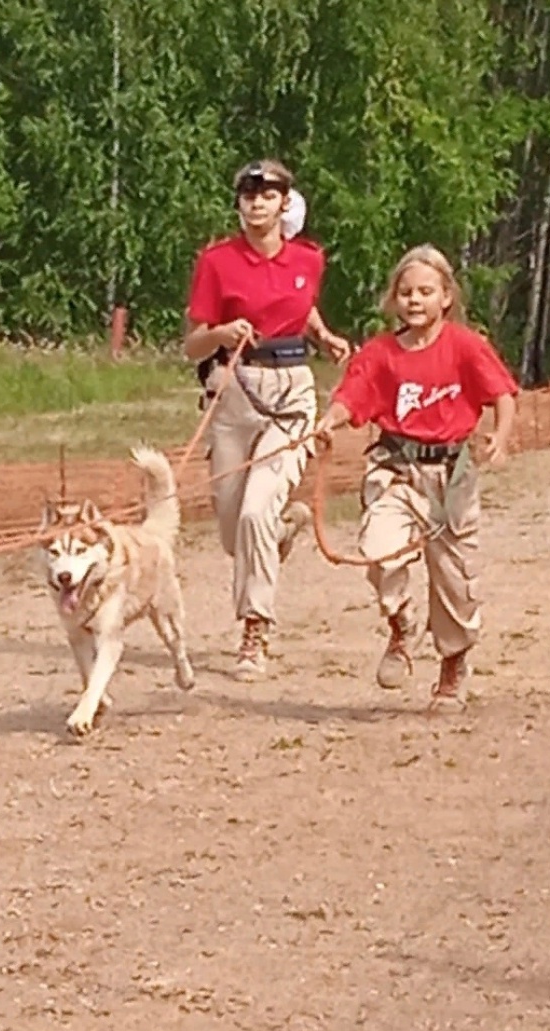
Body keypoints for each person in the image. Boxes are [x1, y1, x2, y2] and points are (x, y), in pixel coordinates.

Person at [315, 243, 518, 707]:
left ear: (446, 297)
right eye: (406, 292)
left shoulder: (467, 346)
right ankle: (400, 624)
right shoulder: (381, 352)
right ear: (394, 299)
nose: (415, 300)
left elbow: (503, 394)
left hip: (451, 476)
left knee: (454, 580)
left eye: (426, 291)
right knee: (380, 551)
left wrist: (500, 438)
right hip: (396, 470)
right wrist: (331, 419)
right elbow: (353, 395)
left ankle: (452, 665)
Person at [184, 158, 350, 681]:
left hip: (291, 392)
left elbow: (302, 305)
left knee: (255, 509)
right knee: (236, 529)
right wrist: (221, 334)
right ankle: (279, 534)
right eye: (248, 193)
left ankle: (254, 629)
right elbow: (192, 344)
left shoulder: (308, 258)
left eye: (268, 192)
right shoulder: (217, 262)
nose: (257, 200)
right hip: (234, 392)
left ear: (285, 202)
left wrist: (322, 336)